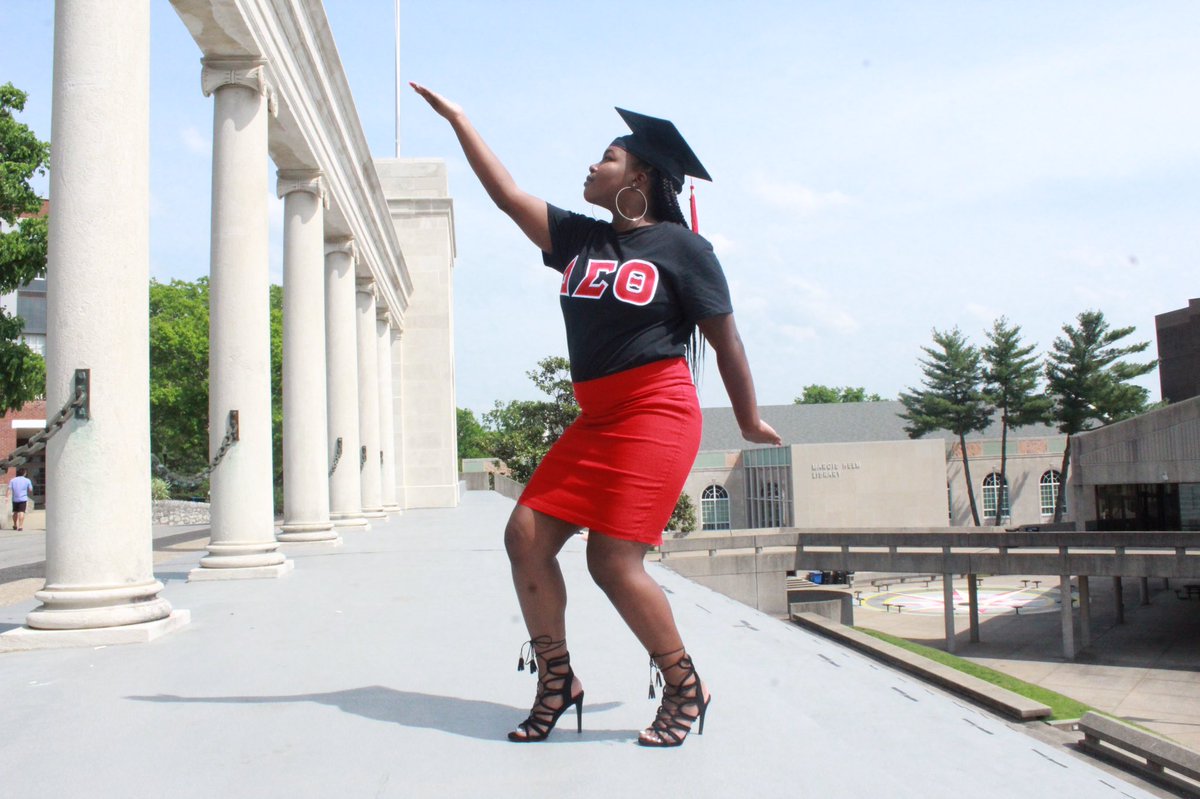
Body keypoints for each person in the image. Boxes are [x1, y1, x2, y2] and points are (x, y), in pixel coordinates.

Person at [412, 84, 781, 747]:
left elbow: (726, 341)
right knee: (525, 534)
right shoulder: (580, 238)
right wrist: (462, 120)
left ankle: (684, 684)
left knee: (612, 561)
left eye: (605, 157)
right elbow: (505, 195)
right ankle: (557, 680)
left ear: (639, 176)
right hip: (598, 416)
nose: (591, 166)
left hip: (656, 411)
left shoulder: (683, 248)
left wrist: (749, 418)